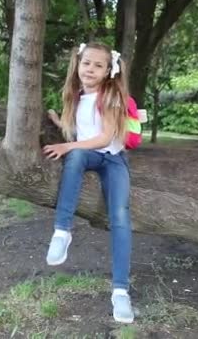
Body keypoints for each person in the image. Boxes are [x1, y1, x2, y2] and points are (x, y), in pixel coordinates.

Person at [43, 42, 135, 324]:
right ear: (78, 65)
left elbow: (105, 137)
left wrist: (68, 146)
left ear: (109, 71)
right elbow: (82, 129)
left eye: (98, 65)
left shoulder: (109, 96)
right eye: (87, 63)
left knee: (119, 217)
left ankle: (120, 291)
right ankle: (62, 231)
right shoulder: (75, 96)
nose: (91, 69)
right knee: (77, 156)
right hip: (89, 155)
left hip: (113, 160)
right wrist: (60, 124)